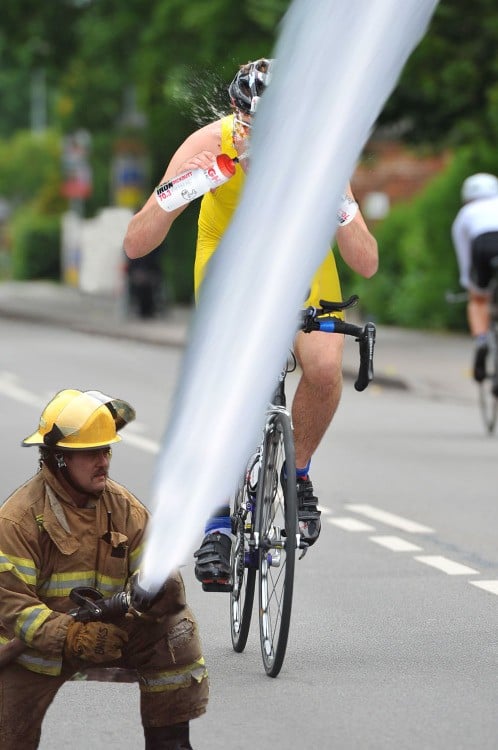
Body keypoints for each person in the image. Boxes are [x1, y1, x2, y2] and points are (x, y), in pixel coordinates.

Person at [123, 58, 378, 590]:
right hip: (230, 258)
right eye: (254, 129)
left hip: (302, 257)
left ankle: (297, 474)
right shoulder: (206, 144)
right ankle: (217, 518)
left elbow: (366, 262)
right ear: (237, 118)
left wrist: (339, 202)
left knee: (325, 365)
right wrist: (179, 193)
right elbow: (135, 243)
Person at [0, 389, 208, 750]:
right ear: (59, 459)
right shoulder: (18, 520)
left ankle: (170, 741)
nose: (104, 462)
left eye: (107, 449)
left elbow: (165, 581)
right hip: (31, 649)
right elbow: (13, 609)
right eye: (91, 453)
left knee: (176, 630)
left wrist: (161, 589)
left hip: (112, 628)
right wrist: (70, 635)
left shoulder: (125, 509)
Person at [451, 172, 498, 383]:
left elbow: (465, 257)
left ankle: (481, 340)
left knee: (479, 300)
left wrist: (469, 284)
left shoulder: (465, 213)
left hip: (482, 245)